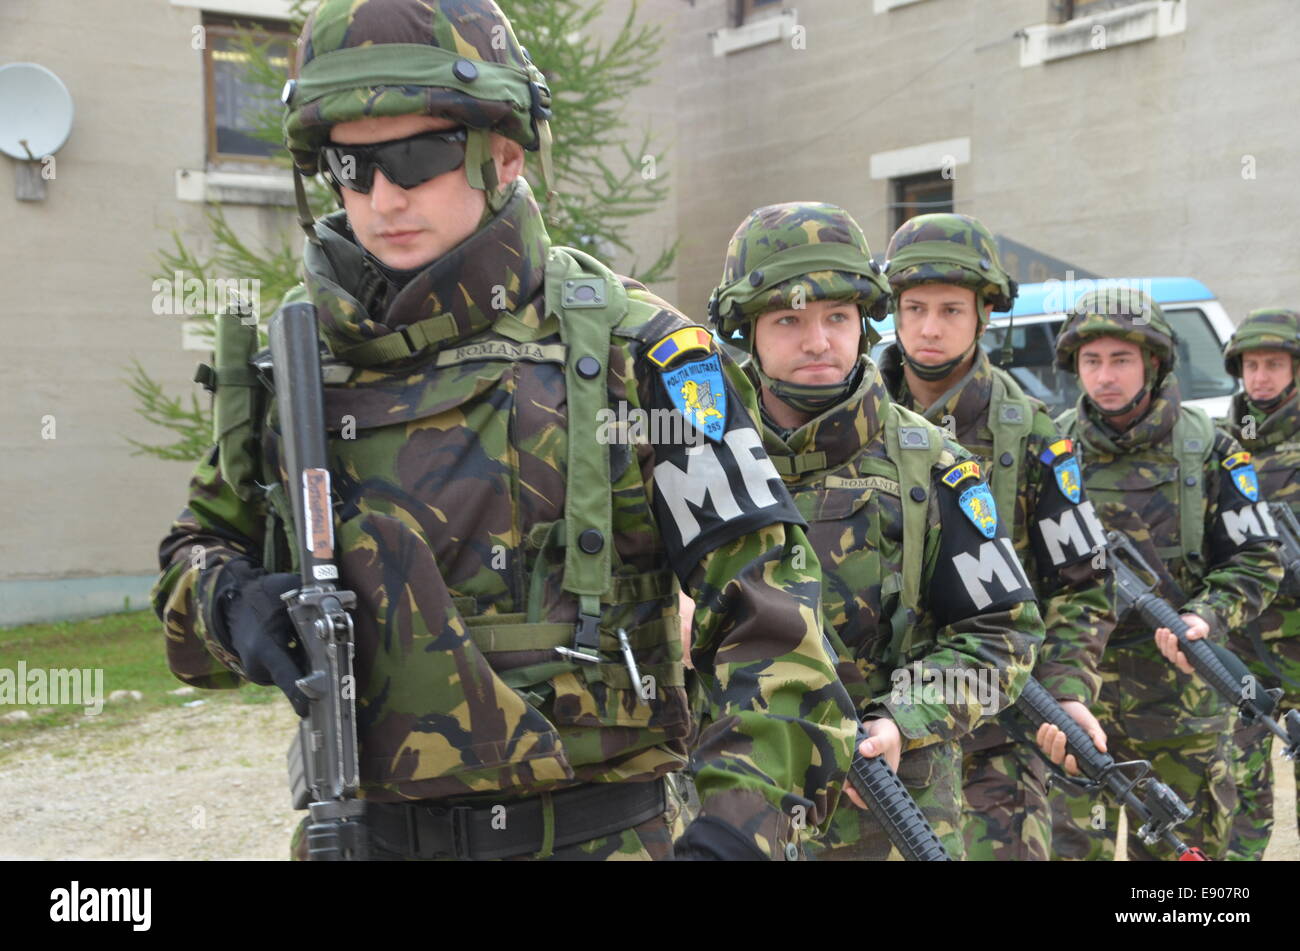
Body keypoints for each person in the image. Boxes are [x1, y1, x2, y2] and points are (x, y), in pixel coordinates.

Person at [151, 0, 857, 862]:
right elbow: (195, 557)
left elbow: (774, 619)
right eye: (350, 165)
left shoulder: (640, 351)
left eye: (418, 156)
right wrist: (227, 603)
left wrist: (735, 835)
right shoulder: (296, 364)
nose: (383, 196)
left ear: (506, 153)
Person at [706, 201, 1045, 860]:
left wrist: (901, 719)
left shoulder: (934, 463)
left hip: (890, 814)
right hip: (732, 815)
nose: (818, 341)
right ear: (747, 329)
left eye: (837, 317)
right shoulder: (697, 459)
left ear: (863, 323)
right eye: (788, 320)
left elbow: (1003, 632)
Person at [879, 214, 1114, 860]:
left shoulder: (1031, 434)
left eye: (951, 309)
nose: (930, 328)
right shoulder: (852, 419)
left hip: (994, 740)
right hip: (872, 731)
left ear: (985, 314)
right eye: (915, 308)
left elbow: (1085, 582)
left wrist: (1067, 688)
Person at [1050, 287, 1282, 860]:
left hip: (1182, 705)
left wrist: (1207, 615)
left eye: (1121, 359)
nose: (1105, 376)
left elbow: (1257, 557)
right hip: (1077, 699)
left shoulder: (1210, 448)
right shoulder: (1049, 454)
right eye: (1091, 360)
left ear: (1153, 363)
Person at [1218, 308, 1300, 860]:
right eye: (1252, 365)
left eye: (1274, 364)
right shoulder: (1222, 445)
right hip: (1244, 644)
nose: (1261, 377)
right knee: (1239, 785)